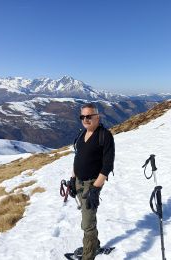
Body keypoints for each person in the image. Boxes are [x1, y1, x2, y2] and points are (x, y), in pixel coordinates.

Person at [69, 103, 115, 260]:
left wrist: (95, 189)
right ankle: (94, 245)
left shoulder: (105, 135)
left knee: (87, 223)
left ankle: (88, 256)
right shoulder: (82, 134)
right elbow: (77, 158)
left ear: (97, 117)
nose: (86, 119)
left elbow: (108, 165)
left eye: (89, 116)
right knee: (87, 216)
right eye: (83, 117)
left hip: (92, 183)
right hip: (79, 181)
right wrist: (72, 179)